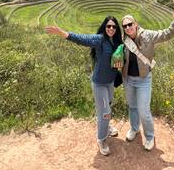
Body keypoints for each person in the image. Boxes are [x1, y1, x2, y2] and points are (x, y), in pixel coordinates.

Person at [45, 16, 123, 156]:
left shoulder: (118, 41)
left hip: (110, 82)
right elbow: (83, 39)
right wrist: (63, 33)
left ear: (117, 29)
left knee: (106, 108)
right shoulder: (100, 39)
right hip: (99, 83)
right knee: (105, 112)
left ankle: (106, 126)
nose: (111, 29)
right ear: (104, 27)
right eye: (108, 26)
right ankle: (102, 139)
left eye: (114, 27)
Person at [121, 5, 174, 151]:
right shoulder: (123, 40)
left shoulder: (148, 35)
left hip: (143, 79)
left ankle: (149, 136)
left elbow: (167, 34)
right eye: (125, 26)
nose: (128, 27)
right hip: (128, 79)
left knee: (143, 109)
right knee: (132, 106)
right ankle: (135, 129)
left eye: (130, 24)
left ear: (136, 24)